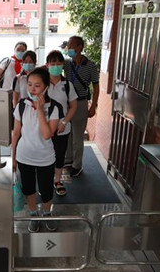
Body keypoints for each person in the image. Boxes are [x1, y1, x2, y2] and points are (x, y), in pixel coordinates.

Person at [12, 67, 63, 233]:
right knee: (28, 188)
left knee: (46, 189)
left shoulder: (54, 107)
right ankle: (33, 214)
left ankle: (47, 213)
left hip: (45, 158)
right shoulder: (21, 105)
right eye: (29, 85)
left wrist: (40, 109)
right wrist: (13, 157)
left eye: (37, 86)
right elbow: (16, 133)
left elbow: (47, 134)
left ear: (46, 87)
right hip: (24, 156)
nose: (32, 89)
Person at [63, 35, 99, 177]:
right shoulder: (67, 63)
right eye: (68, 46)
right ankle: (68, 159)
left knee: (78, 136)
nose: (69, 49)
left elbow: (96, 87)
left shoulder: (91, 66)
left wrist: (93, 106)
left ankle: (77, 165)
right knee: (68, 134)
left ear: (80, 47)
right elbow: (52, 64)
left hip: (80, 103)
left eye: (71, 46)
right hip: (67, 104)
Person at [45, 50, 77, 196]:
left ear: (63, 65)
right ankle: (45, 181)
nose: (56, 66)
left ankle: (57, 181)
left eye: (59, 63)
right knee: (44, 155)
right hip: (45, 128)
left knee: (59, 155)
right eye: (53, 63)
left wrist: (64, 122)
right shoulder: (42, 84)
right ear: (47, 65)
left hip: (62, 128)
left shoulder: (68, 85)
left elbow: (73, 106)